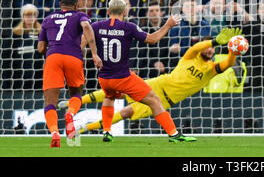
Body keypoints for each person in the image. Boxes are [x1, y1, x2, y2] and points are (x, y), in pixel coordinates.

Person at [59, 27, 242, 135]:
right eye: (208, 47)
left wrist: (233, 51)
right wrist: (215, 42)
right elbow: (197, 46)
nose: (209, 51)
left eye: (212, 50)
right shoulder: (191, 55)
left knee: (125, 113)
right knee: (118, 91)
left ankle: (82, 129)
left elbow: (227, 63)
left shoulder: (211, 70)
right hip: (159, 83)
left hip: (165, 100)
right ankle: (74, 101)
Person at [86, 0, 196, 143]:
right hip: (123, 77)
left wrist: (93, 54)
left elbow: (83, 41)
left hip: (104, 78)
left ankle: (106, 131)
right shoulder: (128, 27)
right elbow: (152, 39)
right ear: (125, 11)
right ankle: (173, 134)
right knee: (154, 100)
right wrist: (168, 25)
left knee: (109, 97)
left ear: (107, 11)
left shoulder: (96, 26)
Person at [37, 0, 103, 147]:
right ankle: (70, 113)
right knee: (76, 93)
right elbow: (86, 26)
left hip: (53, 57)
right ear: (77, 5)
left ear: (60, 5)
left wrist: (52, 51)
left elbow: (40, 48)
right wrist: (94, 53)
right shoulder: (80, 16)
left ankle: (54, 133)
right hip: (73, 57)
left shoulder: (48, 18)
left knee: (50, 102)